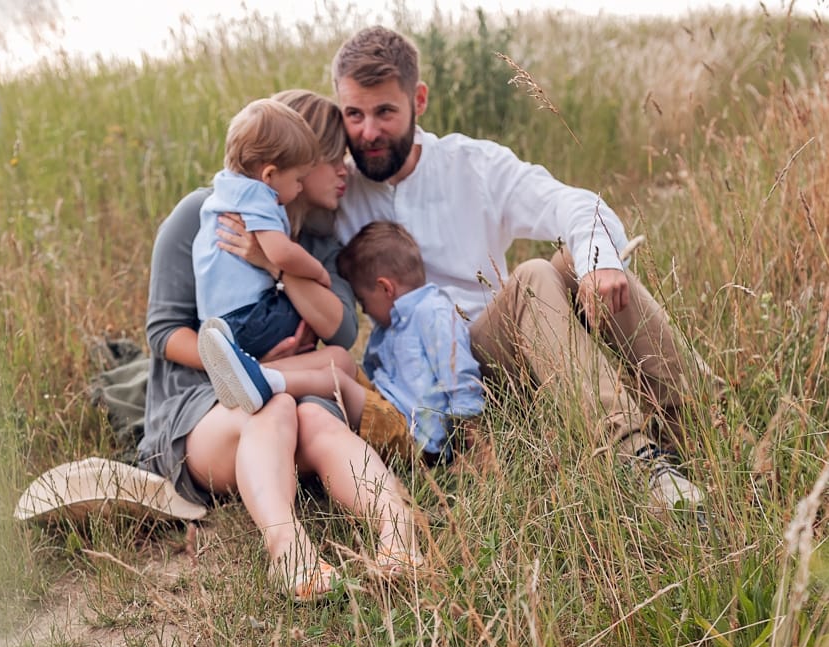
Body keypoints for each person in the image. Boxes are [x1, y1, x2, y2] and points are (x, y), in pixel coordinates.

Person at [332, 25, 715, 514]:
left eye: (384, 111)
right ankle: (636, 460)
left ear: (418, 100)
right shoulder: (339, 194)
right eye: (354, 114)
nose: (368, 132)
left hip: (516, 346)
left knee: (580, 258)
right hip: (450, 380)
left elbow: (573, 204)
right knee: (534, 275)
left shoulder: (469, 165)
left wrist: (599, 264)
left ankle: (704, 420)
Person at [137, 89, 422, 598]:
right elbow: (162, 333)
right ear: (290, 166)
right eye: (332, 160)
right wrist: (232, 361)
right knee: (273, 408)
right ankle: (290, 554)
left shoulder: (318, 241)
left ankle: (397, 532)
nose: (344, 172)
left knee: (306, 412)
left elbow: (342, 333)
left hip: (293, 400)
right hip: (203, 406)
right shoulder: (207, 216)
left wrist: (275, 264)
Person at [193, 98, 332, 361]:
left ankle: (254, 370)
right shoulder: (256, 195)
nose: (301, 187)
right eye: (298, 179)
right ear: (269, 175)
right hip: (248, 320)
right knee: (305, 309)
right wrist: (318, 272)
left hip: (214, 325)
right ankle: (266, 372)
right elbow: (281, 253)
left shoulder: (225, 187)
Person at [338, 221, 484, 463]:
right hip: (386, 407)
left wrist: (473, 450)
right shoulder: (386, 330)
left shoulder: (433, 313)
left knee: (339, 381)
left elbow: (459, 378)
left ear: (385, 288)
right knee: (337, 359)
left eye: (363, 301)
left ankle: (272, 381)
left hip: (412, 432)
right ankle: (272, 377)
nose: (365, 311)